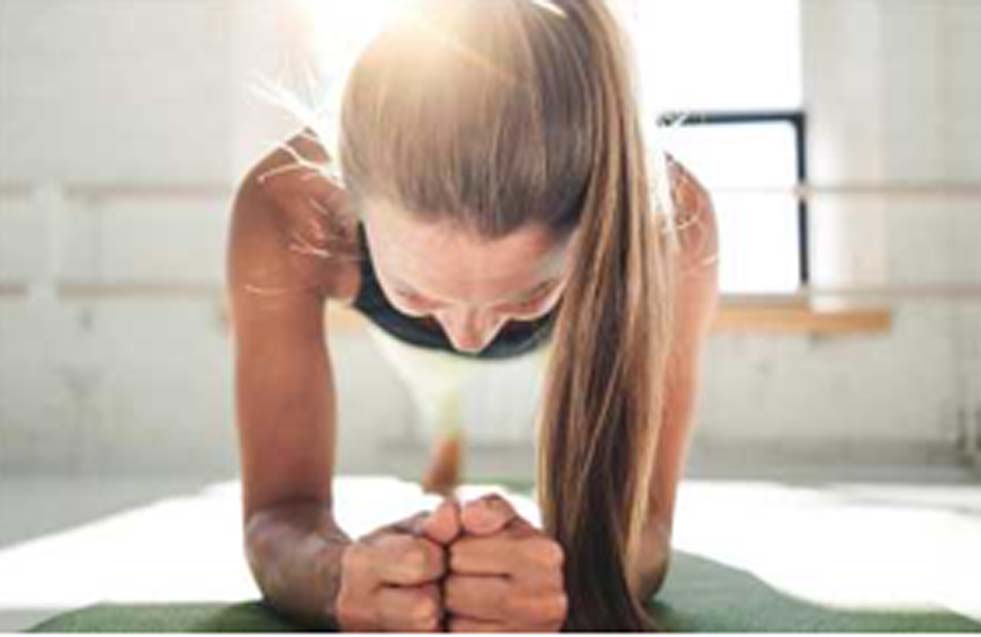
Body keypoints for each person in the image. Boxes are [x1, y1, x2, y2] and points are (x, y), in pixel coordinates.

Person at [226, 0, 719, 631]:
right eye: (418, 294)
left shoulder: (673, 225)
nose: (469, 337)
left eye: (526, 297)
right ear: (347, 196)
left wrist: (569, 578)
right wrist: (339, 577)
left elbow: (647, 526)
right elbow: (277, 514)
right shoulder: (285, 208)